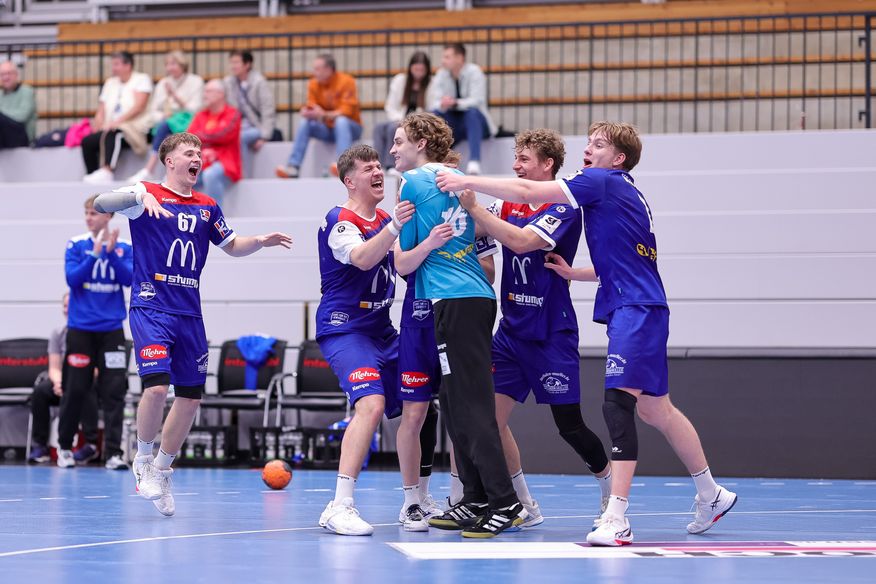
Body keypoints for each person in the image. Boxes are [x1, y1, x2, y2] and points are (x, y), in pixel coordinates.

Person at [436, 121, 738, 546]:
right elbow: (626, 259)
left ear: (618, 158)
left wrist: (466, 182)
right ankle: (711, 493)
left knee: (615, 407)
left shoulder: (600, 182)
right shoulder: (621, 192)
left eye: (599, 144)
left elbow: (525, 196)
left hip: (628, 311)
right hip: (629, 307)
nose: (588, 148)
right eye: (590, 142)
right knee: (656, 410)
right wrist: (576, 273)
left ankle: (616, 515)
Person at [93, 132, 292, 517]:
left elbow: (231, 245)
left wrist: (259, 240)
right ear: (170, 161)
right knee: (156, 388)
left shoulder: (207, 206)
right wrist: (139, 197)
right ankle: (142, 458)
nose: (197, 158)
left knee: (190, 397)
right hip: (151, 307)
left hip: (189, 312)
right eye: (189, 152)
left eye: (199, 153)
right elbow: (101, 202)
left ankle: (162, 469)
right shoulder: (147, 193)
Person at [452, 129, 613, 524]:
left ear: (547, 164)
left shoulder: (564, 206)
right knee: (487, 420)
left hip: (550, 332)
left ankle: (611, 493)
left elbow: (522, 241)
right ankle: (522, 503)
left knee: (570, 426)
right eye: (516, 158)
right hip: (510, 332)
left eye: (524, 159)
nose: (516, 166)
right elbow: (473, 229)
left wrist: (475, 209)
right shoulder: (507, 203)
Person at [393, 112, 527, 538]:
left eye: (399, 141)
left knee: (471, 405)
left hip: (456, 301)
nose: (393, 150)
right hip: (466, 299)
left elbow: (403, 262)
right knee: (453, 403)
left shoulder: (412, 182)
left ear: (420, 143)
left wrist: (409, 233)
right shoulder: (459, 180)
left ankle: (505, 503)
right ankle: (475, 498)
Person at [314, 144, 413, 535]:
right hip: (346, 328)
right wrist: (395, 228)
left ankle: (415, 501)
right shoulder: (339, 220)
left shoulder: (386, 218)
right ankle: (340, 505)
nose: (378, 172)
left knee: (422, 402)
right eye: (368, 168)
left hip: (382, 329)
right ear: (349, 180)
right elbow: (362, 258)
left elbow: (402, 264)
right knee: (371, 404)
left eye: (379, 166)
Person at [58, 194, 134, 470]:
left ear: (108, 215)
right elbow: (73, 279)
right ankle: (65, 447)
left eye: (94, 213)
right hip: (81, 330)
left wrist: (111, 253)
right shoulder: (76, 244)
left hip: (111, 331)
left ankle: (113, 453)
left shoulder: (124, 246)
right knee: (75, 389)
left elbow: (129, 279)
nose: (89, 218)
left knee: (114, 392)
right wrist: (96, 254)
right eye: (86, 213)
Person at [28, 293, 100, 465]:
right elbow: (53, 367)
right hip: (62, 382)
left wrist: (73, 383)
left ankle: (91, 444)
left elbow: (96, 370)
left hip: (83, 380)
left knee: (86, 389)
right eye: (65, 306)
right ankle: (40, 446)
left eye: (71, 305)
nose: (68, 309)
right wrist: (59, 383)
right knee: (40, 392)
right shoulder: (58, 333)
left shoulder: (93, 333)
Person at [276, 54, 361, 179]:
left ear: (328, 69)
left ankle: (344, 166)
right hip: (327, 128)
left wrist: (324, 114)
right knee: (304, 122)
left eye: (317, 69)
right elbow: (312, 105)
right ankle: (293, 166)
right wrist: (309, 112)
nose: (314, 72)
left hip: (351, 128)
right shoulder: (313, 83)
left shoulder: (346, 81)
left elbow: (347, 111)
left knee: (341, 121)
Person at [127, 51, 204, 183]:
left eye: (173, 64)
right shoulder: (163, 83)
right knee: (164, 126)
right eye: (167, 64)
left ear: (182, 65)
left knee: (166, 127)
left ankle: (149, 169)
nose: (169, 68)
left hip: (188, 120)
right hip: (167, 121)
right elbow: (153, 111)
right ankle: (164, 171)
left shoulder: (196, 81)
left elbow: (195, 109)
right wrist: (163, 115)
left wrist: (174, 96)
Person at [82, 51, 153, 184]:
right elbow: (101, 110)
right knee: (88, 141)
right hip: (110, 127)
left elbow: (139, 107)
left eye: (116, 64)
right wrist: (98, 124)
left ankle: (107, 171)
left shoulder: (142, 79)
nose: (113, 68)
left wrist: (116, 122)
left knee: (114, 133)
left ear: (128, 65)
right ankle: (93, 174)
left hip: (134, 128)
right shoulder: (110, 83)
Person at [429, 43, 496, 176]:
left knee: (472, 113)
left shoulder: (475, 71)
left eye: (447, 57)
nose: (443, 61)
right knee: (435, 115)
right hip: (455, 122)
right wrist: (443, 104)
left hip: (477, 123)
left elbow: (477, 100)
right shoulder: (441, 74)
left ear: (460, 58)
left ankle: (474, 161)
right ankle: (435, 159)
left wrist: (455, 103)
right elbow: (434, 102)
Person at [373, 52, 434, 173]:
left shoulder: (431, 84)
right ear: (410, 68)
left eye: (422, 70)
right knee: (378, 128)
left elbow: (431, 109)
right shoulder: (400, 80)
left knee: (394, 129)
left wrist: (409, 122)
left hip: (418, 123)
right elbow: (390, 106)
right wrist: (400, 119)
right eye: (416, 69)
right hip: (398, 118)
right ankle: (377, 164)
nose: (418, 73)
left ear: (427, 70)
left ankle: (391, 165)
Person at [187, 80, 242, 206]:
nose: (204, 95)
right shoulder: (201, 115)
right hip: (202, 162)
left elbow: (223, 135)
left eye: (208, 91)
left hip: (225, 163)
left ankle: (215, 216)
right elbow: (189, 137)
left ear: (220, 94)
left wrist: (202, 136)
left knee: (210, 175)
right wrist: (207, 138)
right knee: (176, 176)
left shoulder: (233, 113)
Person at [223, 50, 276, 176]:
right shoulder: (228, 82)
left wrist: (264, 136)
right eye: (231, 63)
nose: (233, 66)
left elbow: (267, 110)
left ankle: (243, 175)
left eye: (236, 62)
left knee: (241, 137)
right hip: (238, 125)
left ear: (247, 64)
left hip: (256, 126)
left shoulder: (259, 82)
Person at [0, 60, 36, 149]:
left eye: (9, 73)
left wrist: (2, 114)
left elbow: (21, 117)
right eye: (2, 74)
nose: (6, 77)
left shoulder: (27, 92)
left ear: (16, 75)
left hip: (21, 137)